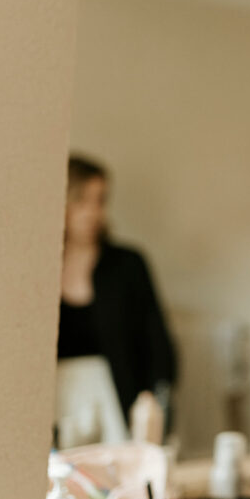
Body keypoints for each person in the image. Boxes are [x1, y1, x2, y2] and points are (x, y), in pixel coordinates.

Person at [57, 156, 177, 448]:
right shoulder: (38, 269)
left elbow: (157, 341)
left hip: (114, 396)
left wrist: (153, 399)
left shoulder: (127, 264)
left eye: (100, 201)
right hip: (56, 399)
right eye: (82, 201)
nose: (93, 212)